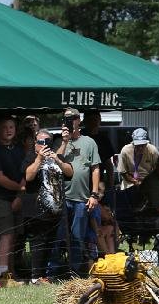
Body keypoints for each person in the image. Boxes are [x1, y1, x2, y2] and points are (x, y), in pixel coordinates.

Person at [21, 128, 72, 284]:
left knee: (51, 243)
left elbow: (69, 172)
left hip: (56, 211)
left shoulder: (57, 156)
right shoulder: (30, 157)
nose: (43, 145)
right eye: (40, 142)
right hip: (37, 210)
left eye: (46, 142)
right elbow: (28, 176)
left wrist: (57, 159)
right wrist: (39, 159)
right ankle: (35, 277)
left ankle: (44, 275)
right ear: (35, 143)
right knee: (38, 243)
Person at [56, 109, 101, 277]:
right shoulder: (59, 142)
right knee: (59, 235)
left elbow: (96, 168)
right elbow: (56, 161)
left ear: (78, 120)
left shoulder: (89, 142)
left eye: (72, 118)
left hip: (82, 198)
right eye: (66, 118)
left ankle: (74, 271)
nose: (69, 121)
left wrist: (94, 194)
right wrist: (64, 142)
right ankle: (54, 270)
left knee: (77, 236)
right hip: (63, 198)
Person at [0, 117, 29, 284]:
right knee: (6, 236)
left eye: (11, 127)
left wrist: (20, 196)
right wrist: (19, 189)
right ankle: (3, 275)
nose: (8, 130)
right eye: (5, 127)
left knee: (14, 237)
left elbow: (27, 173)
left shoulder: (20, 150)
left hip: (17, 198)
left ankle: (11, 273)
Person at [82, 109, 116, 189]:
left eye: (95, 119)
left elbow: (108, 164)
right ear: (84, 122)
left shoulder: (104, 139)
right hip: (81, 181)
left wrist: (110, 184)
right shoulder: (79, 136)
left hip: (99, 181)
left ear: (100, 120)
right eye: (90, 120)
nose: (93, 123)